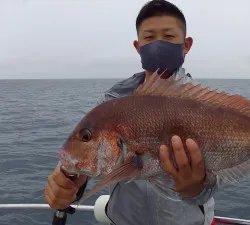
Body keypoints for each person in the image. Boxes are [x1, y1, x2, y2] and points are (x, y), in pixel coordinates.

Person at [44, 1, 220, 225]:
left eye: (168, 36)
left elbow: (216, 180)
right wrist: (67, 180)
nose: (158, 44)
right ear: (138, 47)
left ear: (186, 45)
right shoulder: (112, 102)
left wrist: (196, 188)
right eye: (149, 38)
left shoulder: (204, 107)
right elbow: (88, 160)